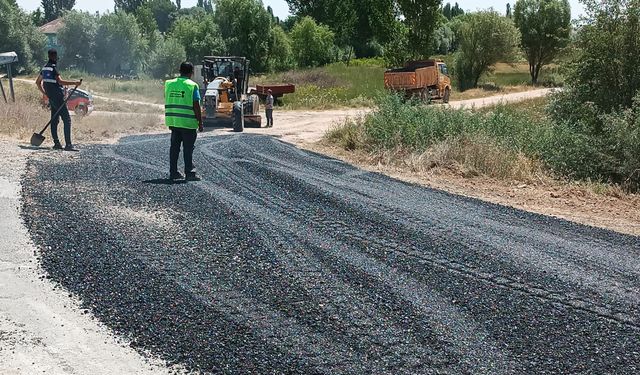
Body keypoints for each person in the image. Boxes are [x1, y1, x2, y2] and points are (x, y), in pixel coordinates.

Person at [35, 49, 82, 151]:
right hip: (58, 97)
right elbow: (60, 81)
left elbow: (38, 82)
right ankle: (68, 145)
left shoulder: (44, 68)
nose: (57, 59)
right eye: (57, 58)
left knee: (54, 120)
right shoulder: (53, 68)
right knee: (67, 119)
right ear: (54, 57)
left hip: (51, 97)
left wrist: (45, 93)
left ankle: (56, 143)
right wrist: (75, 83)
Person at [165, 62, 204, 181]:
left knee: (174, 148)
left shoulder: (169, 84)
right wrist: (200, 122)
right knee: (188, 148)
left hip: (174, 121)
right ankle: (190, 173)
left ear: (179, 70)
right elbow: (196, 105)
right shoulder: (192, 86)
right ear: (191, 73)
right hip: (188, 123)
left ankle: (173, 172)